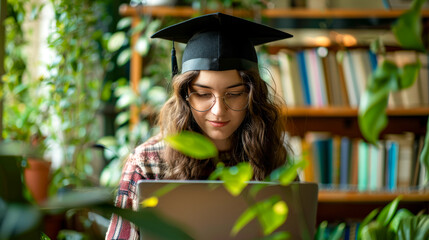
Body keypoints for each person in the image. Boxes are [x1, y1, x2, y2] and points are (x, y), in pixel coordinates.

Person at [106, 12, 293, 240]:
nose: (218, 110)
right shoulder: (147, 163)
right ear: (185, 95)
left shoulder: (273, 159)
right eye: (204, 94)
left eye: (233, 94)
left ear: (252, 96)